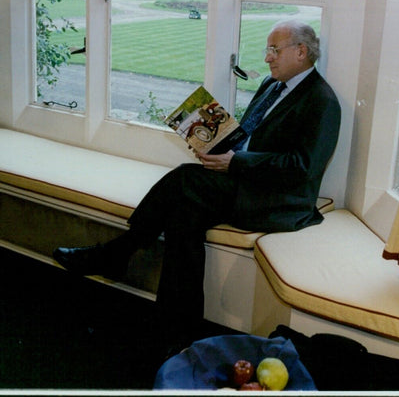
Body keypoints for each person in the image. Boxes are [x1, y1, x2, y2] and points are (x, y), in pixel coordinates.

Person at [53, 19, 341, 353]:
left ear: (301, 52)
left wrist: (235, 162)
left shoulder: (322, 100)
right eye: (268, 50)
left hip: (280, 201)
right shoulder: (272, 85)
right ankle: (178, 330)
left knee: (185, 178)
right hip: (245, 183)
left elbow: (303, 168)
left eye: (274, 50)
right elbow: (248, 136)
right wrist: (215, 144)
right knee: (182, 216)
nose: (267, 58)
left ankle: (119, 253)